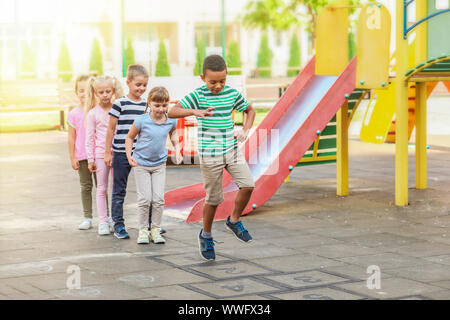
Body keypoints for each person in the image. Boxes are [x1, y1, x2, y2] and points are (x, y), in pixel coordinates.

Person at [168, 54, 256, 261]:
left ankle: (234, 220)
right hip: (210, 153)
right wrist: (195, 111)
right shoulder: (198, 95)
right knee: (214, 199)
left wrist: (246, 129)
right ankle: (206, 234)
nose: (218, 86)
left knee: (248, 185)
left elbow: (250, 110)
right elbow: (172, 112)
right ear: (202, 77)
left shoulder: (232, 94)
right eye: (213, 82)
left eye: (222, 81)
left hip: (231, 149)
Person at [125, 87, 182, 244]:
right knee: (144, 199)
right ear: (149, 103)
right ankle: (143, 230)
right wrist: (129, 156)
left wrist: (177, 150)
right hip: (141, 164)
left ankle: (155, 229)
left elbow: (174, 135)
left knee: (158, 199)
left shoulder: (170, 120)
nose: (161, 109)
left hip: (159, 165)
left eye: (164, 105)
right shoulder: (142, 121)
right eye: (157, 105)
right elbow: (129, 138)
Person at [105, 64, 151, 239]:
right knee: (119, 190)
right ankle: (118, 224)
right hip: (121, 152)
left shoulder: (147, 105)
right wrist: (107, 152)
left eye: (144, 85)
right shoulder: (119, 103)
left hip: (141, 154)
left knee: (147, 191)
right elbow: (110, 129)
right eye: (138, 85)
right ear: (128, 82)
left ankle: (150, 225)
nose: (141, 88)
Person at [85, 75, 123, 235]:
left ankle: (115, 219)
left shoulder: (118, 109)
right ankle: (102, 220)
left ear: (113, 91)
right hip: (100, 155)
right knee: (101, 188)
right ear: (95, 93)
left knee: (116, 189)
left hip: (118, 153)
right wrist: (90, 159)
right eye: (101, 92)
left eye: (108, 91)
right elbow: (89, 137)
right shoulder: (93, 113)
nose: (105, 95)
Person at [67, 74, 96, 230]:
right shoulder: (74, 114)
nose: (84, 94)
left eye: (88, 90)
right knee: (86, 187)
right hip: (83, 156)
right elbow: (71, 138)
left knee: (102, 187)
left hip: (97, 156)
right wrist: (72, 157)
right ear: (76, 92)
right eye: (81, 90)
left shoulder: (98, 111)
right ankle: (87, 217)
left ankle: (107, 217)